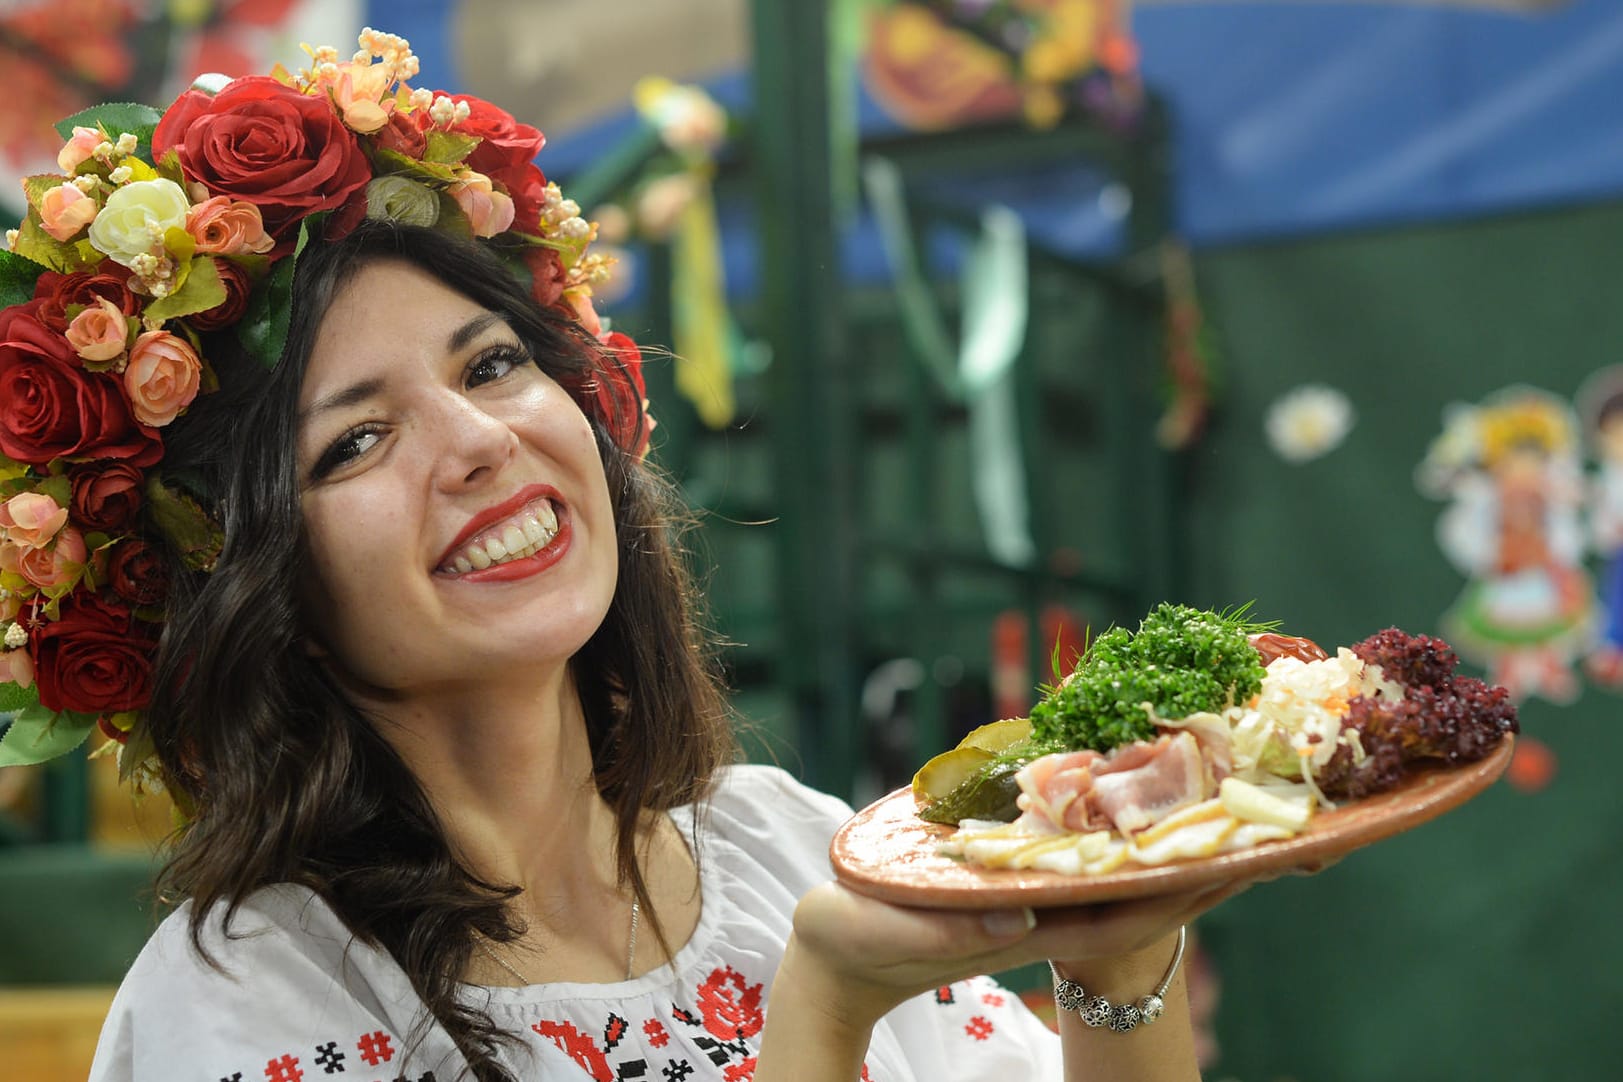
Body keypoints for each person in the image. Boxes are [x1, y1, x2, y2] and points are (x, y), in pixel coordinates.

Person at [0, 31, 1244, 1081]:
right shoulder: (250, 1002)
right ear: (258, 582)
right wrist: (820, 1006)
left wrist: (1114, 963)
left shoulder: (791, 845)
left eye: (492, 362)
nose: (481, 439)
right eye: (359, 438)